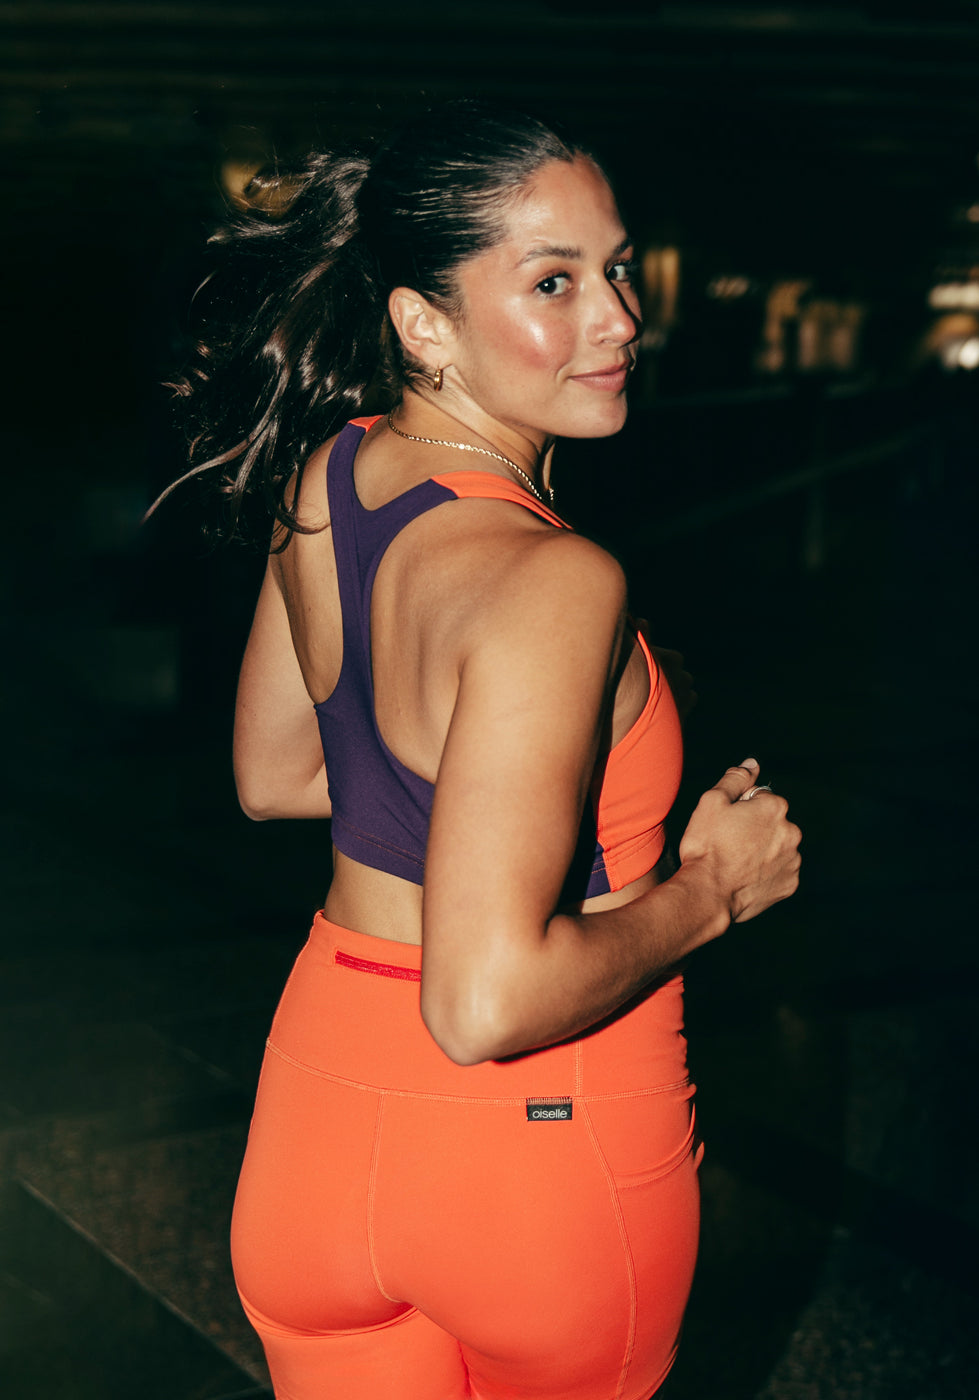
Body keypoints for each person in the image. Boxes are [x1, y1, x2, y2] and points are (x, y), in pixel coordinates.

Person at [167, 102, 801, 1400]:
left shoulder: (332, 474)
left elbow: (278, 777)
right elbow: (484, 1001)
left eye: (615, 269)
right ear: (421, 323)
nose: (619, 318)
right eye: (553, 284)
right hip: (539, 1161)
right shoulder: (554, 580)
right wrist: (714, 888)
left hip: (317, 1134)